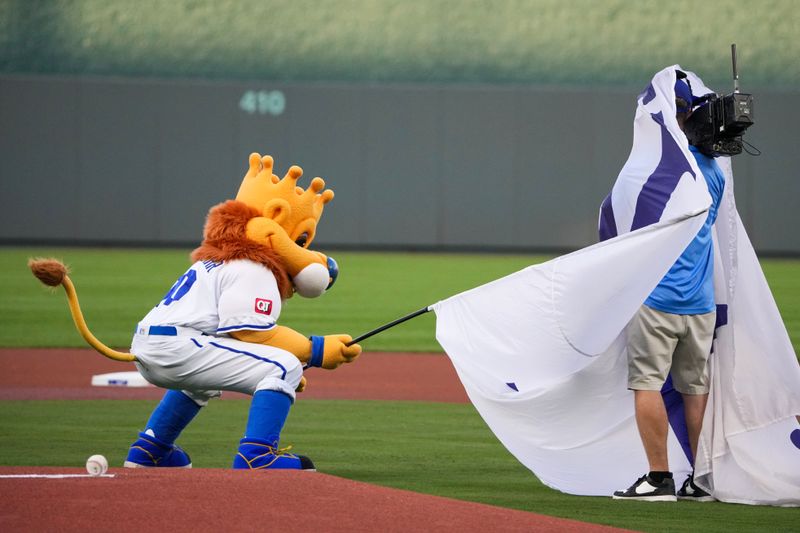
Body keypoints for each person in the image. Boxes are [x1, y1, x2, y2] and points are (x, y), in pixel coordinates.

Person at [612, 76, 725, 502]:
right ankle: (701, 479)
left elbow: (621, 221)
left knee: (647, 384)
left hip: (657, 300)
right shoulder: (713, 172)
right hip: (699, 303)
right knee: (695, 389)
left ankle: (658, 478)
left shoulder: (654, 169)